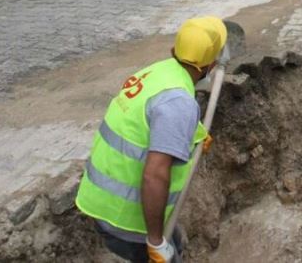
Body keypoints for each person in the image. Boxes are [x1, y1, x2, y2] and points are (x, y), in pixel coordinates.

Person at [76, 17, 227, 263]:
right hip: (124, 217)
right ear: (209, 67)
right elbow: (154, 174)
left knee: (175, 242)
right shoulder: (179, 104)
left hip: (97, 198)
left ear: (173, 51)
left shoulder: (157, 72)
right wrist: (155, 241)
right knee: (167, 254)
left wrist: (195, 132)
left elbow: (148, 121)